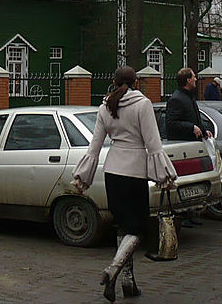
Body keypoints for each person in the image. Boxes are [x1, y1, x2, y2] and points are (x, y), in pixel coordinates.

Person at [72, 66, 177, 302]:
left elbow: (94, 147)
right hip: (135, 173)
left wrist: (82, 176)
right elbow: (153, 143)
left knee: (123, 227)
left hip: (113, 171)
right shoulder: (143, 104)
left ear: (113, 80)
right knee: (137, 228)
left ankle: (129, 284)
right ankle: (112, 270)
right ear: (136, 82)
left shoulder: (105, 106)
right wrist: (165, 176)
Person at [165, 67, 212, 142]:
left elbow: (195, 120)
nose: (196, 79)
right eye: (194, 77)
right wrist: (192, 127)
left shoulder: (189, 97)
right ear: (188, 80)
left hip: (192, 144)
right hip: (182, 145)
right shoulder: (176, 99)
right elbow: (171, 123)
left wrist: (204, 131)